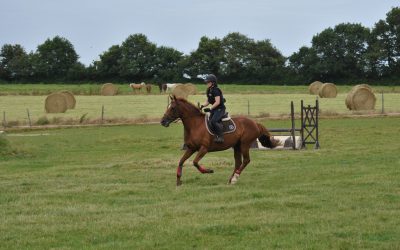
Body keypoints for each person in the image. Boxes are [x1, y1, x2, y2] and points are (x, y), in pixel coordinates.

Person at [200, 74, 226, 143]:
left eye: (208, 82)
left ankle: (221, 136)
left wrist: (210, 108)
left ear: (213, 83)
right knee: (208, 122)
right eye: (206, 82)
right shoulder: (209, 90)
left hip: (220, 109)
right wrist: (202, 106)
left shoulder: (216, 90)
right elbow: (208, 101)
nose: (206, 83)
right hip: (214, 109)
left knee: (213, 121)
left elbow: (217, 102)